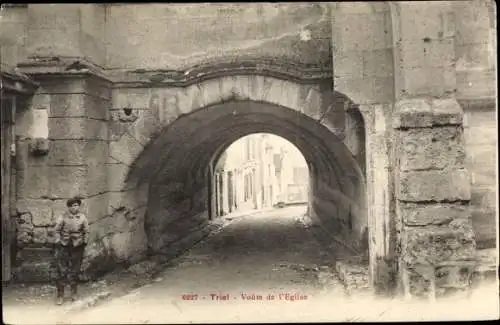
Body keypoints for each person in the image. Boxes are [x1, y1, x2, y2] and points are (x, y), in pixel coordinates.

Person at [53, 197, 89, 305]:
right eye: (72, 206)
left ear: (79, 206)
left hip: (77, 246)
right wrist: (58, 241)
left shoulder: (82, 217)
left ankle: (74, 293)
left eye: (76, 205)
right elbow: (56, 230)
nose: (74, 208)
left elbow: (86, 231)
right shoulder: (63, 217)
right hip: (64, 245)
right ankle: (60, 295)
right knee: (62, 270)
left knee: (75, 270)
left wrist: (84, 241)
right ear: (68, 207)